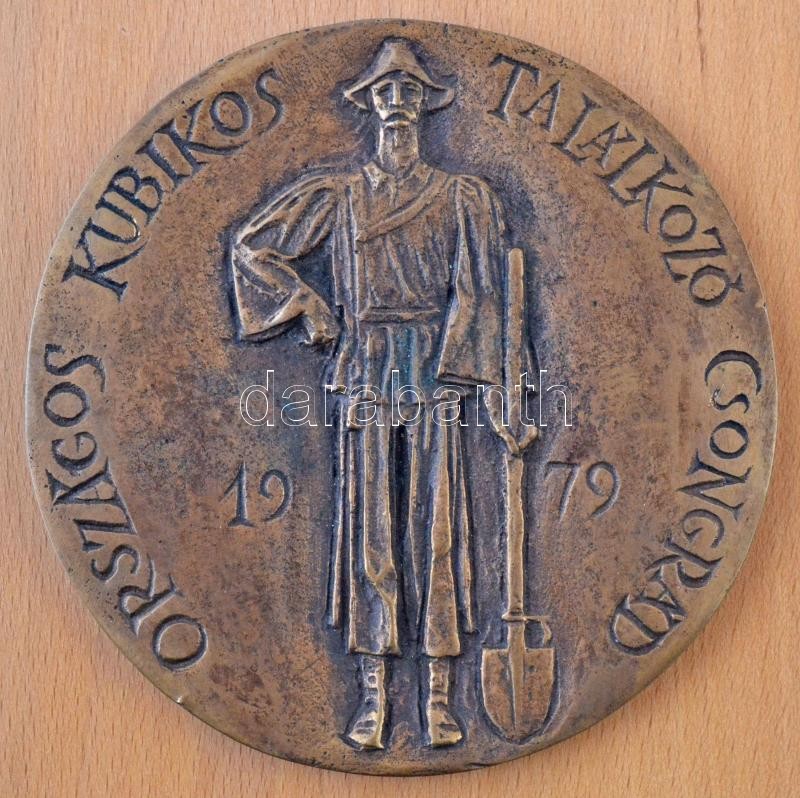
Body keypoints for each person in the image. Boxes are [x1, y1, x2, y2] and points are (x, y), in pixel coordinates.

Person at [230, 37, 533, 749]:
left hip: (435, 368)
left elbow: (486, 296)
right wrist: (308, 303)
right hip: (366, 363)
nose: (397, 103)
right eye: (385, 93)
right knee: (372, 529)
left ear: (425, 108)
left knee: (438, 529)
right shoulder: (336, 196)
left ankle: (438, 697)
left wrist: (502, 390)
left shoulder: (462, 197)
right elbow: (252, 247)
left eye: (409, 93)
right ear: (369, 107)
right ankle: (372, 694)